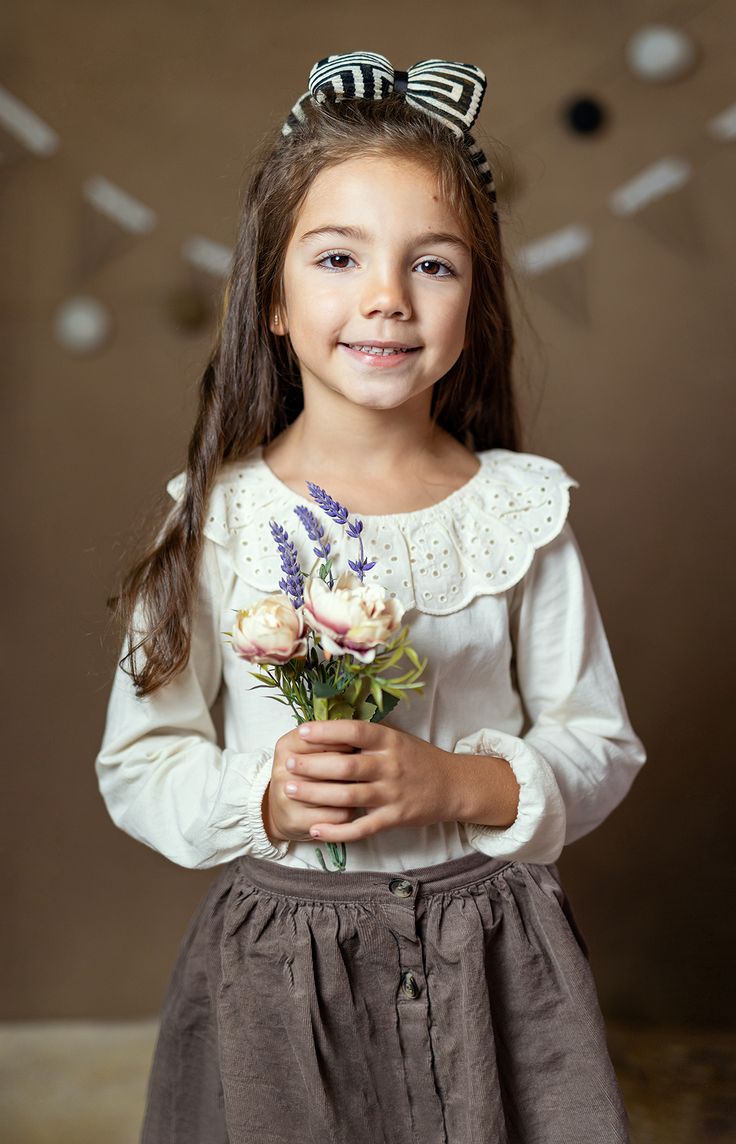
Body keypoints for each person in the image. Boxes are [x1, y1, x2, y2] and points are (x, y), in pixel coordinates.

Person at [96, 51, 646, 1144]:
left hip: (491, 953)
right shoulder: (215, 521)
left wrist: (461, 783)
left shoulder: (520, 513)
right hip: (282, 966)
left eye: (432, 264)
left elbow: (600, 741)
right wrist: (267, 797)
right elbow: (141, 759)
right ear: (272, 300)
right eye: (339, 257)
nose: (387, 297)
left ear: (474, 303)